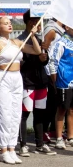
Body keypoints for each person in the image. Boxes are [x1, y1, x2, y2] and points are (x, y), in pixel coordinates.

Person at [0, 16, 41, 164]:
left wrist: (33, 35)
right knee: (5, 115)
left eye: (10, 23)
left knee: (16, 113)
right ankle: (3, 150)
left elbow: (37, 50)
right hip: (3, 78)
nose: (9, 25)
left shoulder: (16, 42)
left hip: (17, 78)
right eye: (5, 23)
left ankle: (12, 148)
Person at [18, 11, 56, 156]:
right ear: (29, 22)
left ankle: (40, 144)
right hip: (27, 83)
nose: (38, 24)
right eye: (36, 21)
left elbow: (44, 60)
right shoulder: (20, 39)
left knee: (40, 114)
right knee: (25, 114)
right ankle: (23, 145)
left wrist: (43, 57)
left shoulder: (40, 40)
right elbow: (22, 61)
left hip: (41, 82)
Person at [47, 22, 73, 150]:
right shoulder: (61, 42)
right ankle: (58, 138)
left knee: (72, 110)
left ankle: (70, 136)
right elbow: (53, 62)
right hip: (63, 82)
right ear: (67, 27)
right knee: (62, 110)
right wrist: (55, 80)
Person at [42, 18, 66, 144]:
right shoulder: (51, 30)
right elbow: (44, 48)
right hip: (50, 70)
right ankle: (44, 130)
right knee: (51, 102)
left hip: (60, 70)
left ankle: (53, 130)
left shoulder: (62, 31)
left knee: (58, 102)